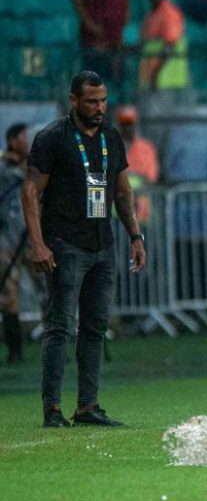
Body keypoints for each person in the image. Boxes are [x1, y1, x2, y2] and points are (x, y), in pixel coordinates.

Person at [22, 71, 147, 428]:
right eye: (92, 101)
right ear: (73, 100)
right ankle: (52, 409)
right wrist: (38, 244)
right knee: (61, 326)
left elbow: (123, 191)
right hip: (64, 243)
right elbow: (30, 191)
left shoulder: (111, 136)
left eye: (103, 101)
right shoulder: (52, 138)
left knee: (95, 328)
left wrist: (135, 237)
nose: (99, 108)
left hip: (102, 243)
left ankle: (88, 406)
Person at [0, 124, 29, 363]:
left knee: (49, 291)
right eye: (23, 137)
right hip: (7, 239)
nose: (27, 141)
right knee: (9, 294)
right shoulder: (4, 166)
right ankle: (14, 348)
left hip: (34, 238)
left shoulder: (36, 165)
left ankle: (56, 346)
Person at [70, 0, 130, 84]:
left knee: (114, 84)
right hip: (96, 45)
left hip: (114, 44)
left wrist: (125, 16)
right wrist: (89, 23)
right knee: (94, 85)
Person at [139, 0, 190, 93]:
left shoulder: (169, 14)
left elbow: (169, 46)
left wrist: (156, 75)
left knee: (162, 111)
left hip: (165, 79)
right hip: (150, 77)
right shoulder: (151, 14)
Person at [116, 105, 160, 223]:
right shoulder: (110, 148)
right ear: (119, 125)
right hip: (116, 217)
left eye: (130, 123)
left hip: (142, 214)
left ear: (136, 124)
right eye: (124, 123)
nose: (127, 127)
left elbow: (151, 179)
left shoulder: (147, 148)